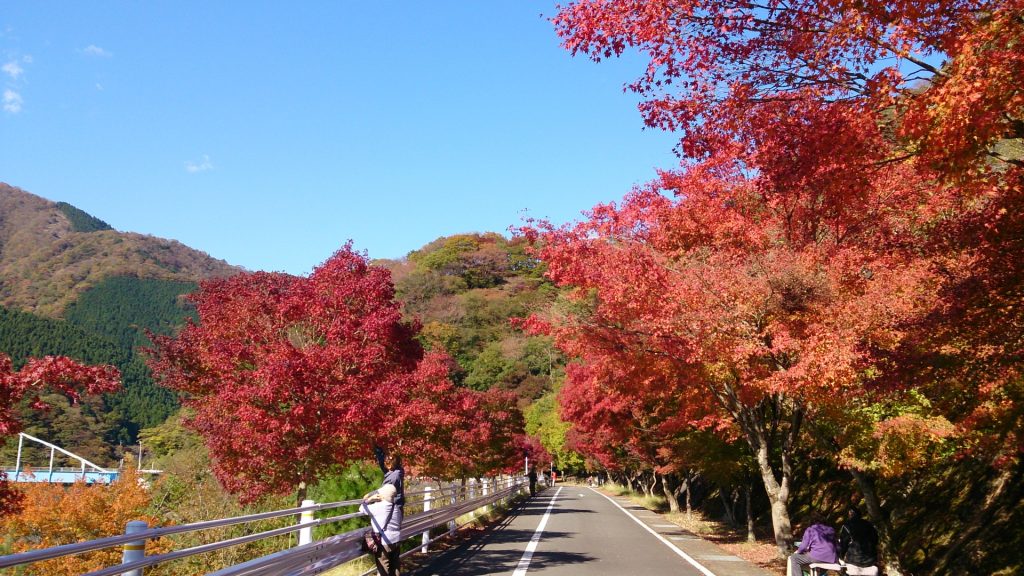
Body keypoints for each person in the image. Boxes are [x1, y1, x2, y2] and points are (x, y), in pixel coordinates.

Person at [362, 483, 401, 576]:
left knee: (384, 566)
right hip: (396, 539)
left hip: (384, 541)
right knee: (395, 565)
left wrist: (369, 500)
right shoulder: (396, 508)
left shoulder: (379, 507)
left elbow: (362, 508)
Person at [374, 445, 405, 512]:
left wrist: (369, 497)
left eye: (386, 463)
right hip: (396, 508)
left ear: (390, 465)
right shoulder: (397, 472)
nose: (385, 464)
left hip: (392, 509)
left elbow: (384, 492)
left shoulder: (393, 477)